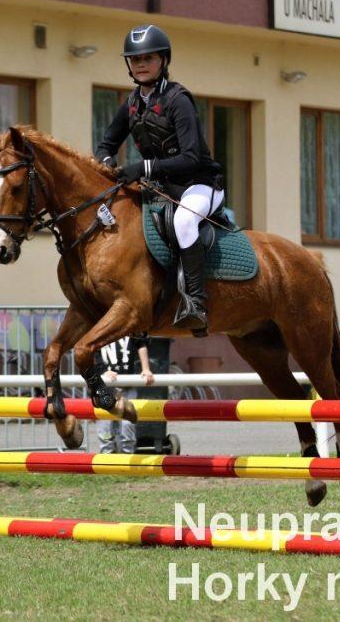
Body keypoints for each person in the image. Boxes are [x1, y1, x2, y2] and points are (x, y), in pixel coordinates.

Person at [95, 24, 224, 334]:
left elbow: (191, 158)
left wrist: (144, 168)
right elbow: (105, 145)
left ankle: (196, 304)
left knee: (184, 222)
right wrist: (107, 162)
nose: (141, 64)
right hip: (163, 188)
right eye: (135, 59)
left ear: (163, 60)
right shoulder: (132, 103)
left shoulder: (178, 100)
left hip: (200, 185)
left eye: (148, 58)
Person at [96, 334, 154, 453]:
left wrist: (146, 368)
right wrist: (103, 371)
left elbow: (141, 344)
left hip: (127, 385)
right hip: (106, 387)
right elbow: (92, 352)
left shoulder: (129, 329)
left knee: (128, 426)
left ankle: (127, 454)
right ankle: (106, 455)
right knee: (105, 426)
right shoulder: (100, 330)